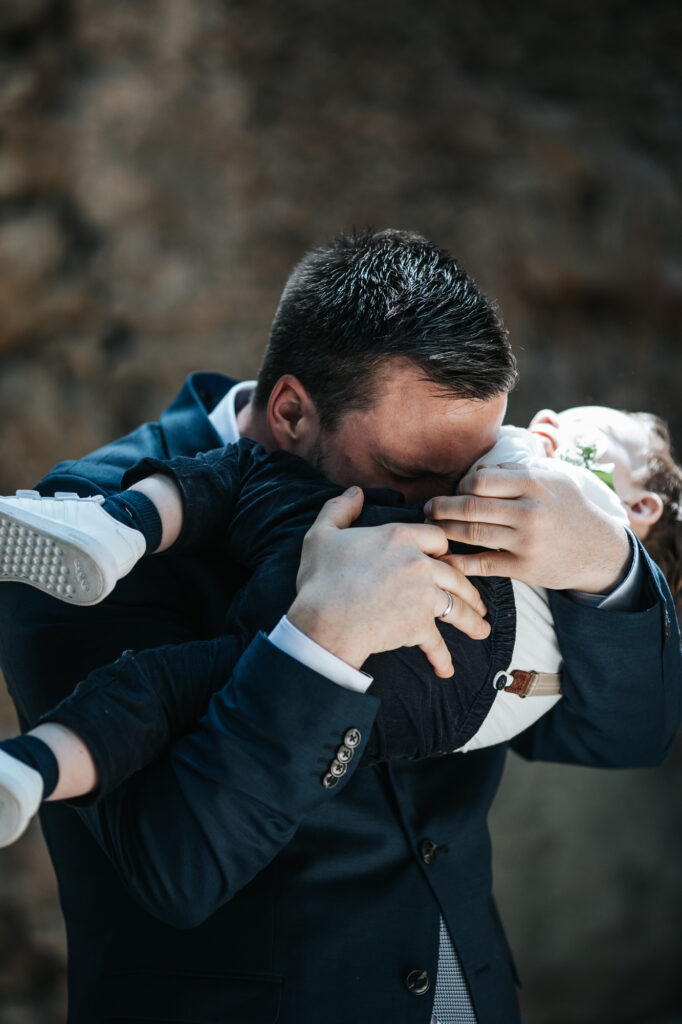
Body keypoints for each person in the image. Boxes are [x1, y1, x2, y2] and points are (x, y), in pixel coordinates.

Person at [0, 230, 679, 1024]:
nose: (442, 503)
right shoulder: (75, 534)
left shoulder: (502, 485)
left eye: (464, 466)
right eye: (410, 475)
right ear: (291, 411)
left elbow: (626, 737)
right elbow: (174, 867)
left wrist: (608, 565)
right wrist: (321, 638)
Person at [2, 399, 681, 842]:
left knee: (241, 478)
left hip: (422, 601)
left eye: (598, 431)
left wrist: (610, 558)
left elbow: (636, 734)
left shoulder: (578, 497)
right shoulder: (574, 644)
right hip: (420, 709)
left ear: (641, 510)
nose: (558, 414)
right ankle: (28, 770)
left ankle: (118, 523)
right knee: (173, 690)